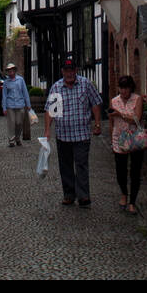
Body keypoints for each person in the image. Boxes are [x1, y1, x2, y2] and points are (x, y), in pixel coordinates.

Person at [42, 58, 102, 208]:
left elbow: (95, 104)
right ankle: (69, 194)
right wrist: (48, 130)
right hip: (63, 135)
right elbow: (51, 111)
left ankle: (83, 196)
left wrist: (97, 123)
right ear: (63, 71)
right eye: (66, 70)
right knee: (66, 166)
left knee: (81, 164)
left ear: (76, 71)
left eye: (71, 70)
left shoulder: (85, 84)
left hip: (82, 134)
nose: (69, 73)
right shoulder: (57, 88)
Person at [109, 75, 147, 214]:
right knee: (120, 170)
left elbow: (136, 119)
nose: (123, 91)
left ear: (131, 88)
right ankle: (124, 194)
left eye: (126, 88)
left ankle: (133, 202)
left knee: (135, 171)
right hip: (119, 138)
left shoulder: (137, 99)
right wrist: (111, 135)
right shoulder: (114, 101)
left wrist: (120, 114)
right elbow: (111, 120)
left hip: (135, 139)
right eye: (121, 88)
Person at [1, 63, 30, 147]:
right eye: (9, 71)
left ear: (14, 70)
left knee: (19, 123)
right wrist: (4, 108)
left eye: (12, 70)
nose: (10, 72)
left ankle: (18, 138)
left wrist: (28, 104)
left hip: (20, 104)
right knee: (11, 123)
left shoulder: (20, 80)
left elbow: (25, 92)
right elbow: (5, 95)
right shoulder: (6, 82)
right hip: (10, 105)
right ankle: (11, 140)